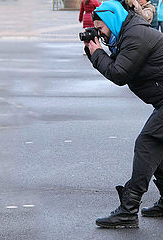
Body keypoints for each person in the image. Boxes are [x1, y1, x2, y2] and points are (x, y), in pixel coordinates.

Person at [83, 0, 163, 228]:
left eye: (101, 28)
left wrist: (97, 53)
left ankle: (128, 210)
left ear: (112, 20)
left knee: (147, 143)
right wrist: (94, 53)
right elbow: (116, 67)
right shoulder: (128, 34)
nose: (100, 34)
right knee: (157, 149)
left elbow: (119, 74)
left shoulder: (135, 36)